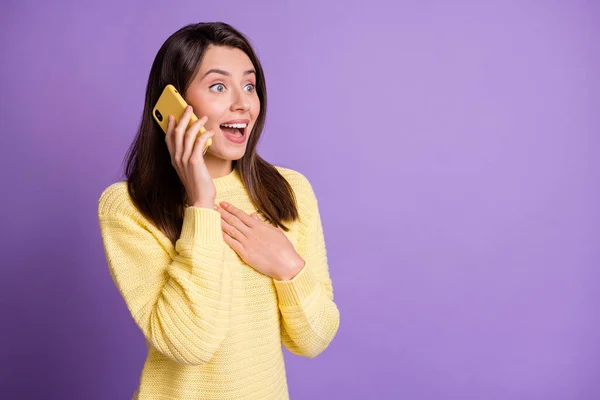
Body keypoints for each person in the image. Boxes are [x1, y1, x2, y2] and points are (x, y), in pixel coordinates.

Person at [97, 22, 340, 400]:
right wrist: (201, 205)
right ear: (173, 104)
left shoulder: (289, 191)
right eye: (218, 86)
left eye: (249, 85)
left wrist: (287, 266)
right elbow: (190, 344)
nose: (243, 103)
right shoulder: (129, 206)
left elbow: (314, 339)